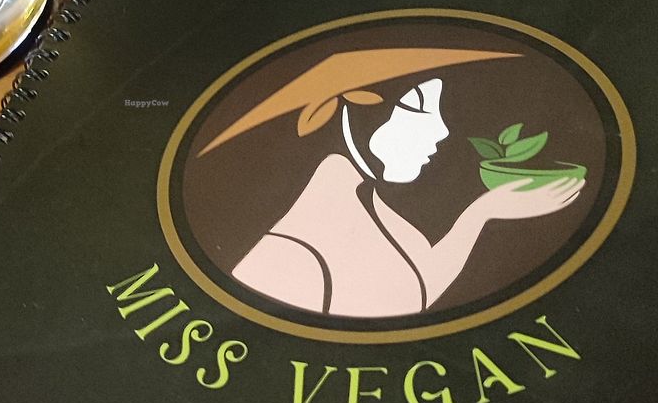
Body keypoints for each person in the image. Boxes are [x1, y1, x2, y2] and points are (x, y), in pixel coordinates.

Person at [197, 48, 586, 318]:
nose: (442, 130)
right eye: (416, 106)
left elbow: (418, 289)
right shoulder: (290, 254)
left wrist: (482, 212)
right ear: (355, 113)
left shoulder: (369, 200)